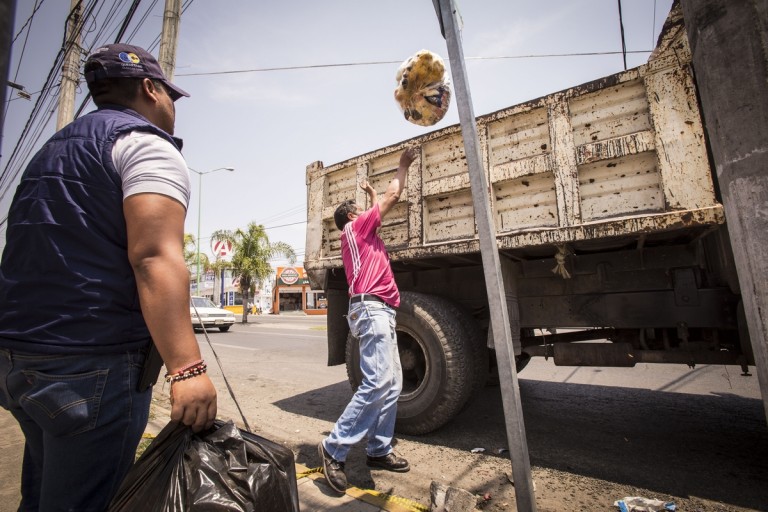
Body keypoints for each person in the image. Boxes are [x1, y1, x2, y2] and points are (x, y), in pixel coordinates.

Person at [0, 43, 217, 511]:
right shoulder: (145, 146)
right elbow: (154, 256)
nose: (172, 110)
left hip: (18, 361)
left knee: (42, 495)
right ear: (149, 87)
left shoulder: (49, 153)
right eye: (170, 97)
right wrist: (188, 369)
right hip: (90, 368)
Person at [318, 146, 418, 493]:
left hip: (379, 311)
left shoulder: (360, 233)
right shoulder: (357, 228)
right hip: (371, 309)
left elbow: (377, 204)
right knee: (376, 382)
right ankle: (334, 449)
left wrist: (371, 197)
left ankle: (377, 448)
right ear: (351, 217)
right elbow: (392, 196)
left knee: (391, 383)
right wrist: (402, 165)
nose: (369, 213)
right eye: (362, 210)